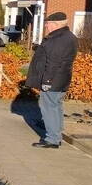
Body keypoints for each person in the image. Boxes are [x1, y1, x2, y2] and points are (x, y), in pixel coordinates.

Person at [25, 11, 78, 149]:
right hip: (61, 79)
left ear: (56, 24)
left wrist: (47, 81)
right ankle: (56, 135)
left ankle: (52, 139)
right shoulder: (68, 37)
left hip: (53, 80)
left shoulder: (58, 39)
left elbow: (54, 62)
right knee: (56, 107)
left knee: (49, 108)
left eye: (47, 24)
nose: (46, 27)